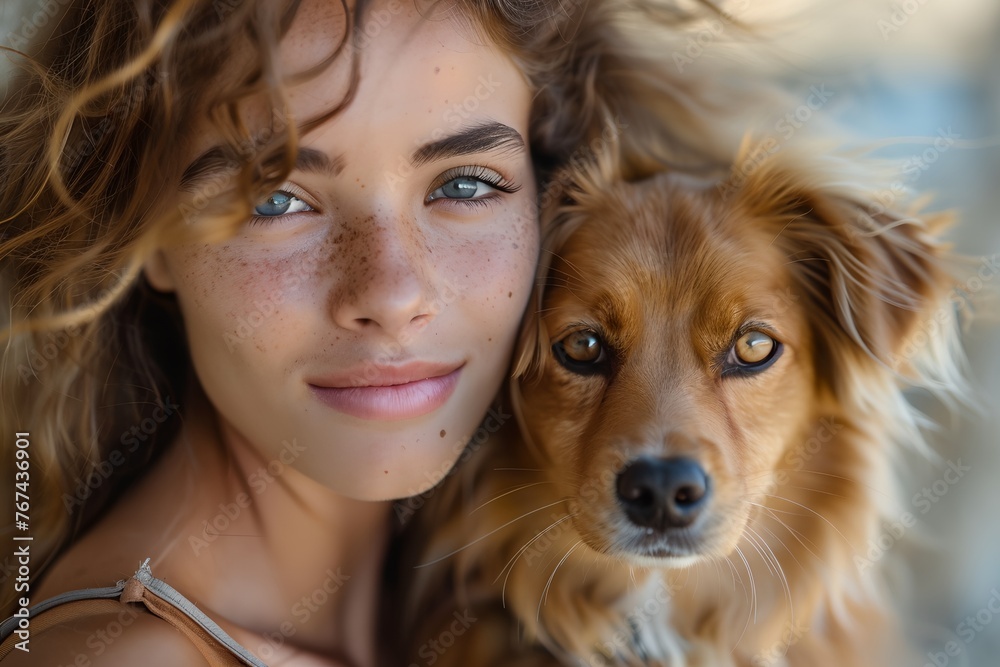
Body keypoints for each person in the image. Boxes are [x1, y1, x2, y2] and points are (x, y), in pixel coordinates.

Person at [0, 0, 736, 664]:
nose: (391, 292)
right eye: (278, 198)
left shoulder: (485, 615)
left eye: (465, 184)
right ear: (147, 232)